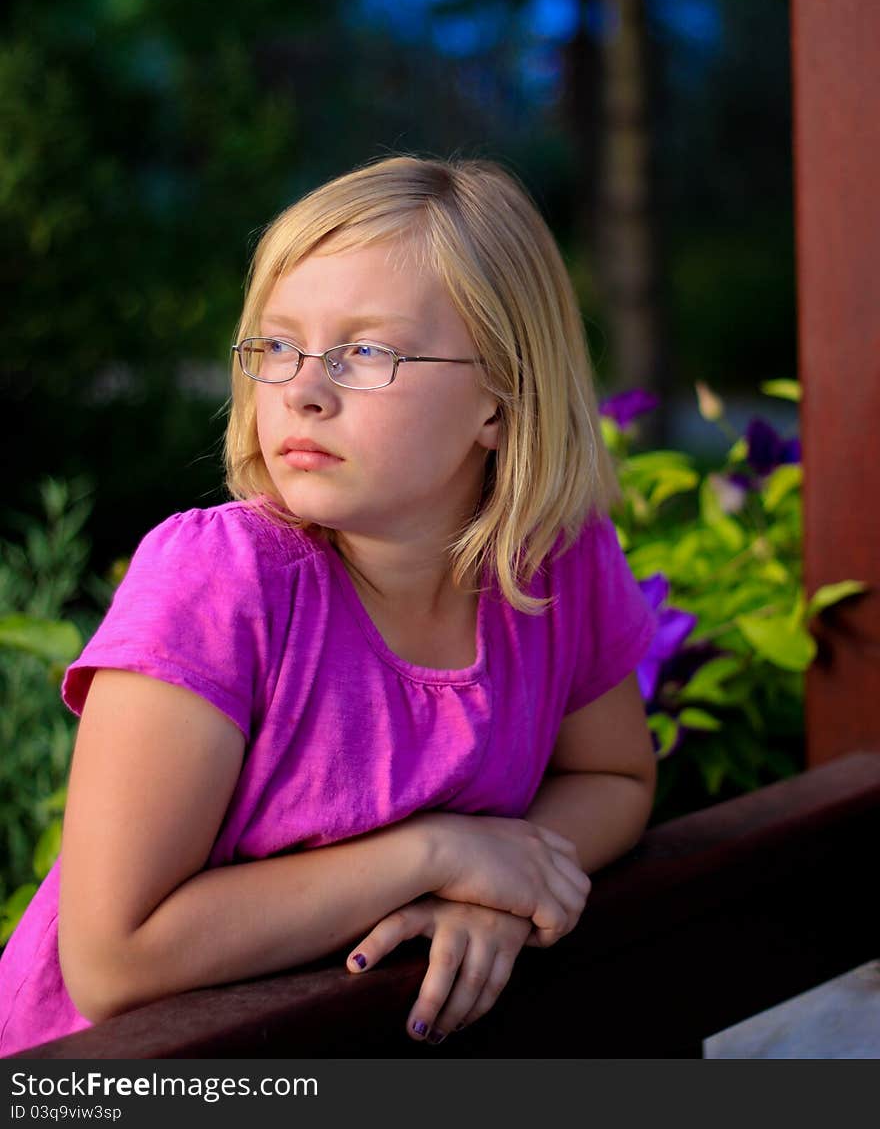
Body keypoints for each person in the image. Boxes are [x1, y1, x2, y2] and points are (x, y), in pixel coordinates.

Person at [0, 154, 658, 1056]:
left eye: (364, 352)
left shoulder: (552, 563)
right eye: (277, 345)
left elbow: (615, 779)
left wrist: (496, 889)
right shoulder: (218, 582)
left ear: (499, 404)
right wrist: (437, 856)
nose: (303, 389)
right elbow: (114, 961)